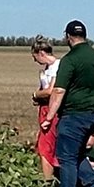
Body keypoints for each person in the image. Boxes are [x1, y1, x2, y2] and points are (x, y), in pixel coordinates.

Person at [40, 20, 94, 187]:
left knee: (66, 157)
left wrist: (49, 117)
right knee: (78, 155)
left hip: (74, 115)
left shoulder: (70, 60)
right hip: (93, 114)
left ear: (68, 37)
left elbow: (59, 90)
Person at [31, 37, 60, 179]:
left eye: (35, 56)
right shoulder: (46, 69)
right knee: (44, 144)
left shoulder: (57, 67)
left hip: (52, 110)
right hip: (44, 108)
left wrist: (36, 94)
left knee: (46, 147)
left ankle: (47, 181)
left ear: (41, 53)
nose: (35, 61)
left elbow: (51, 91)